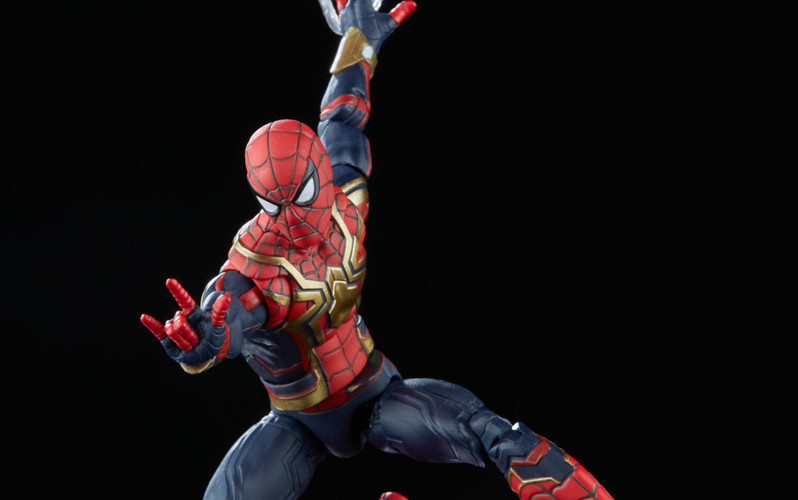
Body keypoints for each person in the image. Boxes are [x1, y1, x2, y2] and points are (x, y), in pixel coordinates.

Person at [141, 2, 613, 499]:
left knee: (496, 434)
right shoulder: (257, 268)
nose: (290, 219)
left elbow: (343, 113)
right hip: (298, 422)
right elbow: (227, 313)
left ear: (320, 171)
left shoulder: (346, 199)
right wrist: (203, 340)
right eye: (272, 204)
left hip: (375, 392)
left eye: (301, 195)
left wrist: (358, 38)